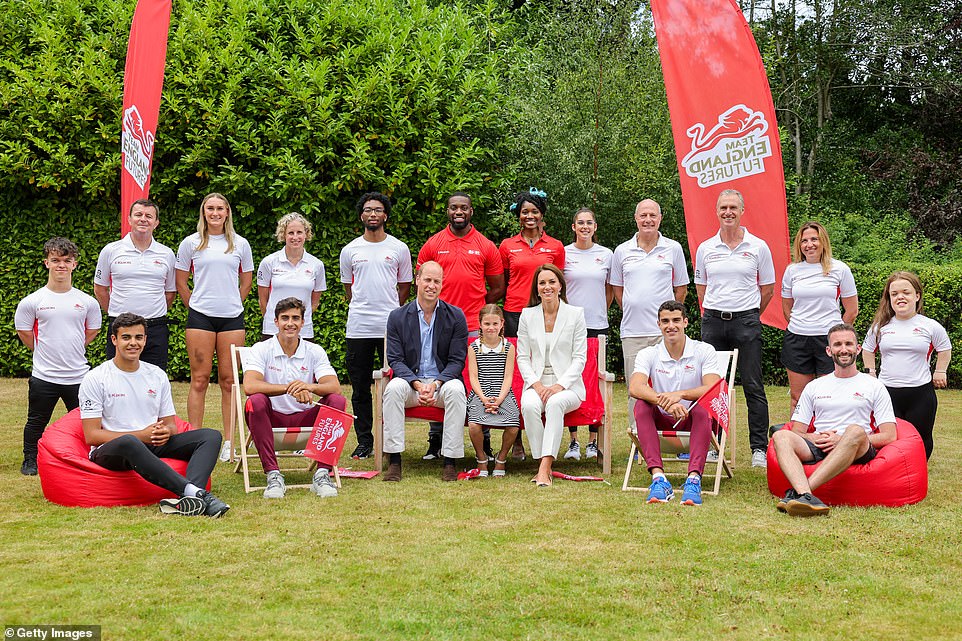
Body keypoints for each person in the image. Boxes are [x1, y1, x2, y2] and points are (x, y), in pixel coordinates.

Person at [80, 313, 229, 517]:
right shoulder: (96, 378)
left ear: (145, 340)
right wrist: (141, 435)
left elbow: (171, 425)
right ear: (114, 340)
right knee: (129, 441)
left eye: (139, 337)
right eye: (126, 337)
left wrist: (165, 432)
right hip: (113, 449)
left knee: (210, 436)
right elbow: (92, 435)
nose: (133, 343)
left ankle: (189, 500)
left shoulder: (156, 374)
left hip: (150, 443)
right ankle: (197, 494)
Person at [772, 323, 897, 516]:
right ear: (829, 351)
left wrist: (841, 439)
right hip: (821, 445)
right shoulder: (815, 386)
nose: (844, 349)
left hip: (857, 447)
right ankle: (806, 496)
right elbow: (797, 430)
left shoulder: (874, 385)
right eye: (838, 344)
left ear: (858, 349)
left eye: (849, 343)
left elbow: (889, 435)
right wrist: (814, 438)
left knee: (854, 430)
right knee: (781, 436)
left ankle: (799, 493)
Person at [417, 192, 505, 460]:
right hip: (439, 325)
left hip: (474, 327)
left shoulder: (485, 245)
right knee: (439, 377)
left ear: (471, 211)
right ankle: (436, 440)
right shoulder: (433, 244)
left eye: (463, 208)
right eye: (454, 207)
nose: (458, 211)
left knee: (481, 382)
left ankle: (485, 440)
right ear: (447, 211)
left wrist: (476, 305)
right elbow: (423, 282)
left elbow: (498, 287)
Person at [694, 189, 775, 468]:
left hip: (746, 321)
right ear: (716, 212)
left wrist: (751, 314)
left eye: (733, 207)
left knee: (753, 385)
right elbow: (701, 288)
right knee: (713, 386)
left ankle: (759, 449)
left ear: (742, 211)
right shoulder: (706, 248)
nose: (728, 212)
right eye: (723, 208)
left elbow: (767, 289)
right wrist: (714, 311)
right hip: (714, 322)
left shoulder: (758, 246)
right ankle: (714, 445)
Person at [242, 297, 347, 499]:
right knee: (255, 401)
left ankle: (323, 474)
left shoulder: (314, 350)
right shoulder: (261, 349)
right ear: (276, 322)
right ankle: (273, 475)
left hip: (305, 416)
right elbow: (250, 385)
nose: (290, 323)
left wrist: (309, 386)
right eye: (285, 318)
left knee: (337, 401)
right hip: (272, 418)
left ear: (302, 322)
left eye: (295, 318)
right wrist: (289, 388)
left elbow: (334, 386)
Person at [176, 193, 254, 459]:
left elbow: (246, 282)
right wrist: (196, 307)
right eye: (210, 208)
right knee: (198, 380)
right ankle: (194, 440)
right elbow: (181, 282)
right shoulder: (191, 243)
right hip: (200, 318)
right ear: (204, 211)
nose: (215, 213)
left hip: (232, 318)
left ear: (227, 212)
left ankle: (229, 443)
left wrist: (232, 303)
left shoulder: (241, 244)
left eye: (220, 208)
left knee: (229, 380)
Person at [15, 237, 102, 476]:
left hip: (79, 376)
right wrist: (44, 351)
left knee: (88, 422)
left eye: (66, 260)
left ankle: (89, 457)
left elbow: (92, 331)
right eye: (55, 260)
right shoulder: (32, 301)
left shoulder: (87, 302)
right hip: (44, 376)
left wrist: (73, 346)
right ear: (46, 263)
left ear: (74, 264)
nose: (61, 265)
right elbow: (24, 332)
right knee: (36, 421)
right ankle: (30, 460)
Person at [339, 192, 413, 460]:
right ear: (361, 215)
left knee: (391, 386)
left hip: (390, 328)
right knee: (359, 387)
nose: (373, 214)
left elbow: (404, 285)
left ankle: (390, 441)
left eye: (378, 210)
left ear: (385, 216)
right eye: (368, 209)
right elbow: (349, 288)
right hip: (358, 326)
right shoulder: (350, 250)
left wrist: (392, 312)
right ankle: (365, 442)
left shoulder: (399, 248)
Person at [628, 300, 722, 506]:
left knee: (702, 407)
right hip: (664, 419)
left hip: (695, 419)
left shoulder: (704, 350)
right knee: (641, 405)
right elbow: (635, 387)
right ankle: (659, 479)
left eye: (676, 320)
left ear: (686, 322)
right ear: (659, 325)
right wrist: (668, 403)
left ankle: (694, 480)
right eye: (665, 321)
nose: (671, 325)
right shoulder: (649, 353)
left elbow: (713, 388)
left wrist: (680, 395)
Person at [381, 262, 468, 482]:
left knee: (457, 390)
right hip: (411, 383)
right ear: (417, 280)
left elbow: (457, 360)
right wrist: (417, 384)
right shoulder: (397, 317)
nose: (431, 285)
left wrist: (436, 384)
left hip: (442, 384)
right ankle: (394, 460)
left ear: (442, 284)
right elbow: (395, 360)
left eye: (436, 281)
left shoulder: (456, 316)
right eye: (427, 280)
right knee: (392, 389)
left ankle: (450, 460)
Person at [610, 199, 689, 434]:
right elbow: (617, 290)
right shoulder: (622, 251)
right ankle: (640, 437)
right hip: (633, 333)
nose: (648, 220)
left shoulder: (673, 248)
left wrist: (669, 322)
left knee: (673, 385)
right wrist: (635, 308)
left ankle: (675, 434)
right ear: (636, 219)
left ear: (660, 218)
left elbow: (681, 289)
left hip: (664, 334)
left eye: (652, 215)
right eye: (643, 215)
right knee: (637, 389)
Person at [862, 272, 951, 459]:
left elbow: (944, 348)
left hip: (920, 394)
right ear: (889, 298)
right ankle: (894, 475)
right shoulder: (880, 326)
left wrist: (940, 371)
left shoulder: (930, 326)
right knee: (889, 438)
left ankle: (918, 473)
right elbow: (868, 349)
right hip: (887, 393)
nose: (900, 297)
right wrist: (870, 372)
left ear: (917, 296)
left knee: (921, 437)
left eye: (906, 292)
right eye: (894, 294)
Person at [517, 264, 587, 487]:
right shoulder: (527, 315)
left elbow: (579, 358)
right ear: (537, 289)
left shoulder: (575, 314)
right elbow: (521, 357)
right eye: (542, 283)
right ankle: (541, 461)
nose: (547, 287)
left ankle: (545, 468)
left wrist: (559, 385)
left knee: (555, 403)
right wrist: (536, 385)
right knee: (528, 406)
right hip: (536, 383)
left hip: (568, 386)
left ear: (560, 286)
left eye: (551, 282)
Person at [780, 221, 858, 412]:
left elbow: (852, 310)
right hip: (797, 340)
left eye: (814, 239)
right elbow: (786, 307)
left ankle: (830, 440)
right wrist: (803, 325)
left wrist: (837, 336)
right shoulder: (792, 270)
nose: (809, 244)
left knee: (829, 398)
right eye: (804, 241)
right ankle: (797, 440)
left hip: (827, 341)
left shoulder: (840, 269)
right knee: (798, 399)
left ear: (823, 241)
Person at [94, 199, 176, 370]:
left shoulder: (167, 253)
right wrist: (117, 313)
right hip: (120, 326)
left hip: (155, 328)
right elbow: (100, 289)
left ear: (156, 223)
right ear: (129, 219)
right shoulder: (110, 250)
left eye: (149, 216)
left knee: (155, 380)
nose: (143, 219)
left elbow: (170, 292)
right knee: (117, 379)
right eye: (138, 215)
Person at [562, 207, 612, 462]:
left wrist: (598, 311)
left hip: (597, 325)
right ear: (573, 227)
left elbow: (610, 291)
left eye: (589, 223)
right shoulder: (563, 254)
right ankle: (573, 441)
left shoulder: (606, 254)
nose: (584, 227)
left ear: (595, 227)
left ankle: (593, 441)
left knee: (595, 381)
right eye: (580, 222)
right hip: (569, 326)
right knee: (571, 379)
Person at [498, 188, 565, 338]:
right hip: (514, 311)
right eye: (525, 212)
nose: (530, 216)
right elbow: (506, 280)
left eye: (534, 211)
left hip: (545, 310)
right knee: (516, 357)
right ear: (519, 215)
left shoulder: (556, 246)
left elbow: (559, 282)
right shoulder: (507, 245)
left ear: (541, 214)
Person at [466, 305, 520, 477]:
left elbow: (508, 378)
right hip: (480, 392)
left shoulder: (508, 347)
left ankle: (501, 458)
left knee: (513, 425)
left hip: (502, 392)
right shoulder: (474, 347)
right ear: (480, 324)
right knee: (474, 425)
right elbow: (473, 377)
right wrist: (483, 399)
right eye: (487, 323)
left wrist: (498, 399)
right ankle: (481, 458)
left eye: (495, 323)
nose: (491, 327)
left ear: (502, 323)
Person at [256, 212, 326, 341]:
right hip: (273, 329)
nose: (295, 237)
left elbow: (314, 303)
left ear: (306, 234)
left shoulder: (317, 265)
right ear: (283, 235)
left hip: (303, 331)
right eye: (290, 233)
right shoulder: (268, 262)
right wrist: (277, 321)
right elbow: (263, 300)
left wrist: (296, 320)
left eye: (299, 232)